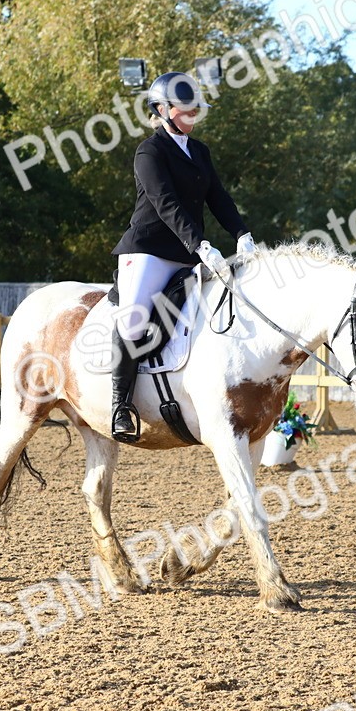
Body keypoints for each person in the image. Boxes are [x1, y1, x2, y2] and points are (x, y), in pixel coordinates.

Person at [109, 71, 257, 443]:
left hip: (188, 253)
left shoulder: (200, 151)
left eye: (195, 111)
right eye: (185, 110)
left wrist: (242, 233)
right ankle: (120, 406)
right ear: (162, 109)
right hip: (148, 252)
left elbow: (218, 198)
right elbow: (165, 204)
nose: (192, 117)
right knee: (133, 322)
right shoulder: (150, 151)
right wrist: (201, 245)